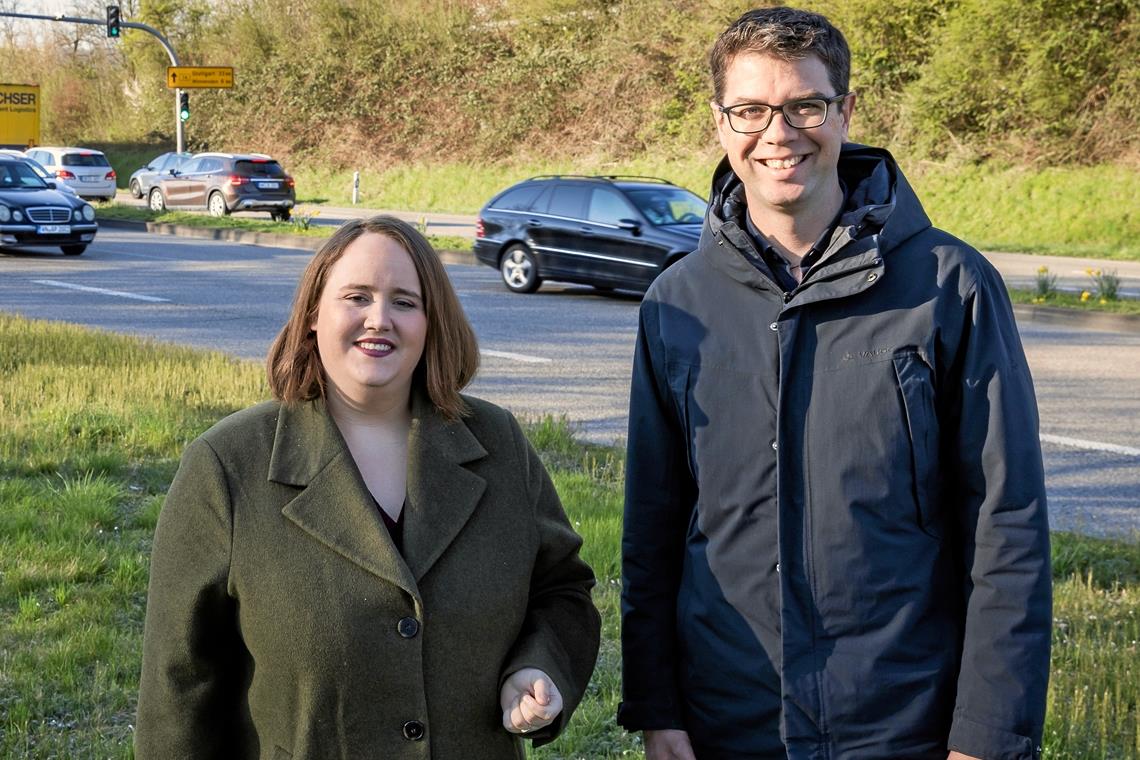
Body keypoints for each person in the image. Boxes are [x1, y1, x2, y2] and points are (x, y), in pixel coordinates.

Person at [619, 7, 1051, 760]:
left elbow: (1007, 525)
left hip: (902, 725)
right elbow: (653, 530)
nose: (777, 134)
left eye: (804, 106)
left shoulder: (952, 287)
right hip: (730, 723)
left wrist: (987, 736)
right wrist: (660, 710)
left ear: (845, 112)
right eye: (751, 110)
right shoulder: (676, 305)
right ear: (720, 123)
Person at [136, 215, 601, 758]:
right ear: (313, 314)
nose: (379, 319)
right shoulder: (226, 465)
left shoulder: (498, 444)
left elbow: (563, 590)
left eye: (405, 302)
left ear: (432, 322)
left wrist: (538, 666)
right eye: (356, 296)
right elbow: (178, 686)